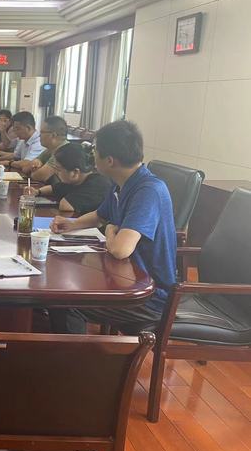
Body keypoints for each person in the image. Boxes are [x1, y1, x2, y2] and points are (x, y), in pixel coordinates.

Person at [48, 121, 176, 334]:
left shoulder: (148, 191)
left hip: (148, 296)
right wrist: (72, 224)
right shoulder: (121, 184)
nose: (92, 156)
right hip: (122, 278)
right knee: (60, 289)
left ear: (109, 160)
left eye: (95, 151)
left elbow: (120, 249)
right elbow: (100, 215)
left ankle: (73, 356)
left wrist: (109, 230)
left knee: (65, 303)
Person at [36, 142, 112, 213]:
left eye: (58, 169)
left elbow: (66, 206)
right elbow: (53, 188)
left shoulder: (97, 184)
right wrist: (37, 191)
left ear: (75, 172)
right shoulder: (77, 180)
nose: (56, 172)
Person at [29, 116, 69, 183]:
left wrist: (34, 172)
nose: (39, 135)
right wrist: (37, 163)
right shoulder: (50, 149)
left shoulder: (64, 151)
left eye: (42, 132)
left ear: (53, 135)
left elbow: (39, 176)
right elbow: (32, 164)